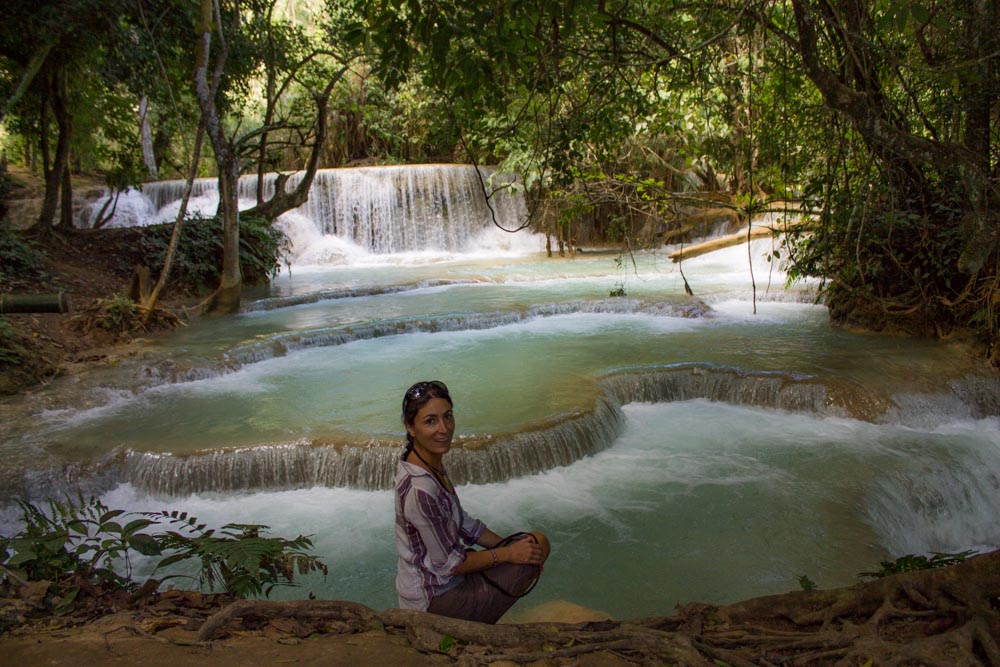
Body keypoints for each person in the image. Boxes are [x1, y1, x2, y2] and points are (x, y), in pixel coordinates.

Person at [395, 380, 551, 623]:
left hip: (447, 583)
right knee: (539, 543)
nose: (444, 429)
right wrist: (508, 554)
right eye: (430, 421)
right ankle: (472, 625)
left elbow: (463, 523)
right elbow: (450, 565)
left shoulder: (425, 462)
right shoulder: (420, 489)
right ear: (410, 427)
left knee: (532, 544)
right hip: (434, 601)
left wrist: (515, 548)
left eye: (448, 416)